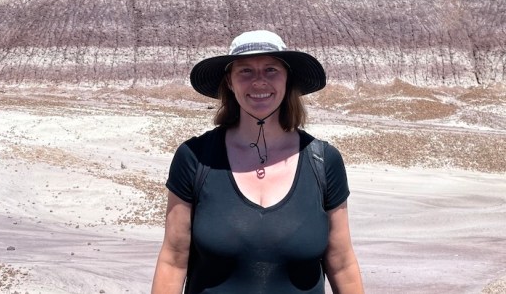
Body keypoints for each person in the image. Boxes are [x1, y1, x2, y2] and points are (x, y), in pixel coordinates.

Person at [151, 30, 364, 294]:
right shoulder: (195, 158)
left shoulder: (323, 161)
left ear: (288, 79)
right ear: (229, 81)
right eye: (246, 71)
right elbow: (173, 259)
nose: (259, 82)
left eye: (271, 70)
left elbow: (341, 263)